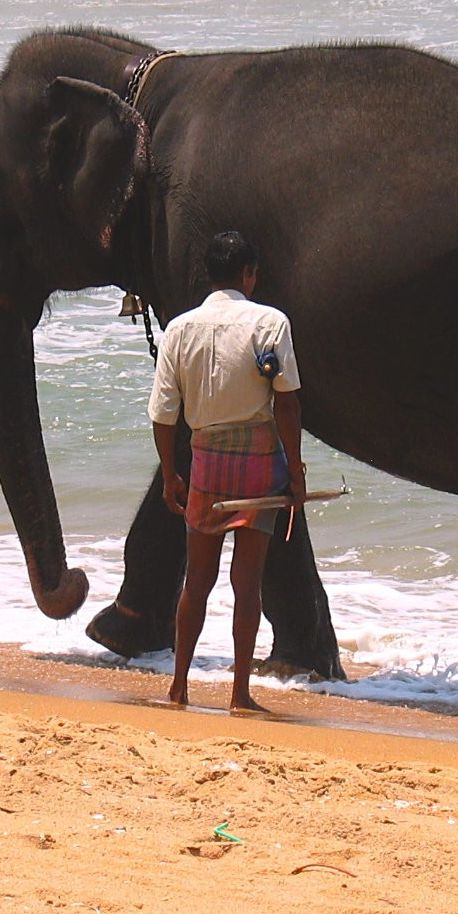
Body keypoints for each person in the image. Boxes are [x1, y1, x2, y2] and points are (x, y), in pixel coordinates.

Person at [148, 231, 305, 712]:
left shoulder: (179, 329)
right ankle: (239, 693)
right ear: (248, 274)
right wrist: (295, 470)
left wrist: (172, 473)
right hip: (258, 461)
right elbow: (287, 402)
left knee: (197, 579)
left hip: (207, 460)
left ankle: (179, 686)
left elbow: (163, 414)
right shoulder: (270, 321)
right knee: (247, 582)